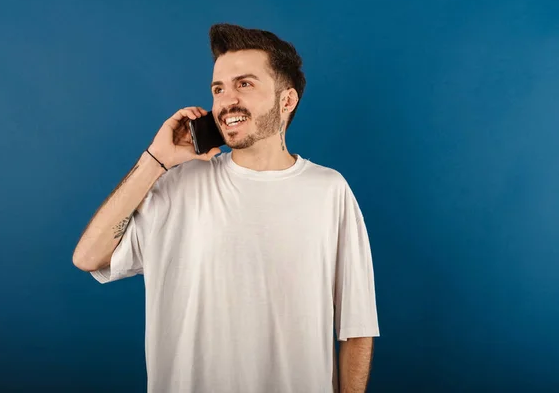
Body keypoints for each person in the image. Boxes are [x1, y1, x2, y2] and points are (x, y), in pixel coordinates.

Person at [73, 23, 380, 393]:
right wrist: (155, 160)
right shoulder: (178, 186)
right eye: (218, 88)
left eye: (244, 84)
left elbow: (357, 329)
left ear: (286, 101)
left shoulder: (329, 191)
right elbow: (89, 257)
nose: (226, 100)